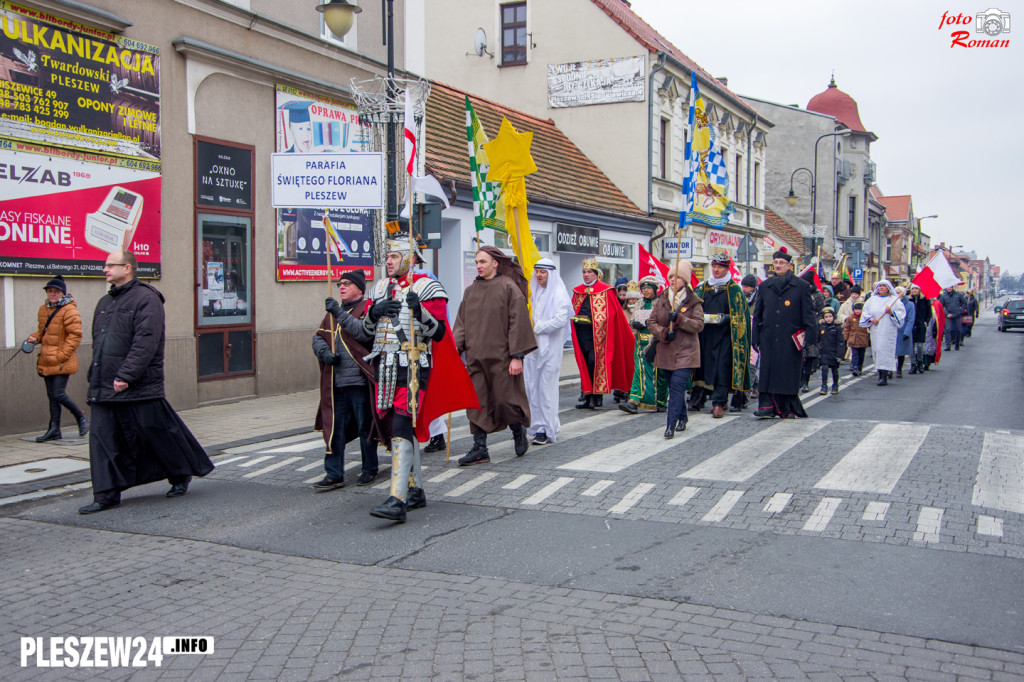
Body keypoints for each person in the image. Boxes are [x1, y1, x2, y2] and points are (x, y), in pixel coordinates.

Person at [79, 251, 214, 514]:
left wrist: (127, 375)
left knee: (156, 433)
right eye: (105, 265)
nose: (105, 269)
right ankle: (105, 494)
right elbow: (101, 343)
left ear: (127, 268)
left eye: (110, 265)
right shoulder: (105, 301)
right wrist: (95, 375)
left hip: (137, 384)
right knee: (102, 438)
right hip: (104, 385)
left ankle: (179, 472)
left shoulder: (147, 298)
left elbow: (146, 341)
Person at [363, 237, 477, 523]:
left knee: (403, 423)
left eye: (393, 257)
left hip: (414, 364)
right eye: (386, 257)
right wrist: (373, 313)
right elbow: (366, 331)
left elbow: (438, 333)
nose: (387, 261)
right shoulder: (378, 288)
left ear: (409, 258)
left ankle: (396, 499)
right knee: (399, 427)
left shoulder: (428, 288)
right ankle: (415, 490)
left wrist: (420, 311)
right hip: (385, 363)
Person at [454, 246, 538, 466]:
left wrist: (517, 355)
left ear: (495, 263)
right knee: (476, 403)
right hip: (476, 359)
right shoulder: (471, 291)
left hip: (502, 358)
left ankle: (518, 430)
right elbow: (462, 323)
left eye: (483, 261)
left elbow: (517, 321)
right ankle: (480, 448)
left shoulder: (508, 287)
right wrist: (455, 349)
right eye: (477, 262)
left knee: (507, 401)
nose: (479, 266)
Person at [312, 269, 379, 490]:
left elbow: (362, 333)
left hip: (359, 382)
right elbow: (319, 337)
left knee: (364, 428)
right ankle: (334, 474)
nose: (342, 287)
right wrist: (323, 352)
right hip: (336, 383)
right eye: (340, 283)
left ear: (359, 288)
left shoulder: (366, 308)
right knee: (334, 429)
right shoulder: (333, 312)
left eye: (347, 283)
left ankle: (369, 468)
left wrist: (338, 314)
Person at [751, 248, 817, 419]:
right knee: (767, 371)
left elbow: (809, 316)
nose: (778, 265)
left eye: (782, 263)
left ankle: (785, 406)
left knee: (786, 374)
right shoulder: (765, 286)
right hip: (769, 337)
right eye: (775, 263)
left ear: (789, 266)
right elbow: (758, 314)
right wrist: (755, 336)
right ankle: (766, 406)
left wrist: (809, 341)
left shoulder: (801, 286)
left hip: (790, 339)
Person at [688, 250, 752, 418]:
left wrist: (728, 318)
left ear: (726, 269)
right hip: (704, 335)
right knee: (701, 366)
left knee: (722, 368)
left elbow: (741, 317)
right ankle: (697, 397)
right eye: (714, 266)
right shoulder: (701, 288)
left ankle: (718, 402)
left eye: (720, 267)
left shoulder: (735, 291)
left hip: (726, 337)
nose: (716, 270)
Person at [27, 275, 89, 442]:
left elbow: (75, 336)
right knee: (52, 396)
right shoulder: (43, 309)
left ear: (62, 293)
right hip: (46, 360)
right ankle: (54, 430)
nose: (52, 294)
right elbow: (43, 332)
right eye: (50, 291)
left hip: (62, 360)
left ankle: (80, 417)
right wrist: (34, 338)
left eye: (56, 291)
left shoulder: (69, 310)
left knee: (58, 393)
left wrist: (61, 355)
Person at [647, 260, 704, 438]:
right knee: (674, 387)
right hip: (665, 351)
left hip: (686, 352)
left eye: (677, 277)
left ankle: (670, 425)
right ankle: (683, 418)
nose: (672, 280)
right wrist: (663, 332)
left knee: (677, 387)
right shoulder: (662, 299)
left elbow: (699, 325)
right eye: (671, 276)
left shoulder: (694, 301)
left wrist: (680, 319)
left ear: (685, 281)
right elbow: (651, 322)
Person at [570, 258, 634, 409]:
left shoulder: (606, 290)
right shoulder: (577, 291)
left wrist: (595, 320)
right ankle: (587, 396)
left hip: (600, 338)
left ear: (596, 274)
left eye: (589, 272)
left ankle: (597, 397)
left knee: (594, 363)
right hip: (582, 336)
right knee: (584, 365)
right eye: (584, 272)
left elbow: (612, 314)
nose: (586, 275)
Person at [524, 258, 573, 445]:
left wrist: (538, 327)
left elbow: (560, 320)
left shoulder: (559, 294)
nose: (539, 275)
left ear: (550, 274)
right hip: (533, 348)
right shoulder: (534, 293)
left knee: (546, 389)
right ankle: (536, 427)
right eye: (537, 271)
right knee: (532, 387)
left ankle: (548, 427)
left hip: (550, 349)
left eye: (543, 272)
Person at [620, 277, 667, 414]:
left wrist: (650, 325)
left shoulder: (661, 303)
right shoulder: (639, 303)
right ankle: (634, 400)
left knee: (658, 373)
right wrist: (634, 324)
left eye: (648, 288)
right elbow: (634, 318)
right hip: (640, 342)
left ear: (654, 289)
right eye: (643, 288)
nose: (646, 291)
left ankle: (660, 401)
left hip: (655, 342)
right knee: (639, 371)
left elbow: (664, 321)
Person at [860, 279, 906, 386]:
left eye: (884, 286)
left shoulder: (894, 300)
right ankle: (879, 372)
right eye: (880, 286)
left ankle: (884, 375)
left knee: (885, 351)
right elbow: (865, 312)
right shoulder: (872, 300)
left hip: (888, 330)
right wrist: (871, 319)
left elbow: (901, 315)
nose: (881, 288)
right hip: (876, 330)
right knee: (877, 350)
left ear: (888, 288)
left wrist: (891, 312)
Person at [798, 268, 825, 393]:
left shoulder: (817, 295)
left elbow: (820, 311)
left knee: (809, 355)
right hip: (799, 328)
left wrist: (818, 323)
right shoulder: (798, 293)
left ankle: (806, 382)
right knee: (798, 356)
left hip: (812, 327)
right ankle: (799, 379)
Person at [908, 284, 933, 374]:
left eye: (916, 289)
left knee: (919, 345)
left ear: (920, 290)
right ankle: (913, 364)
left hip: (920, 325)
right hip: (911, 325)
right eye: (913, 289)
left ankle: (920, 362)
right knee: (911, 346)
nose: (914, 290)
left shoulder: (925, 300)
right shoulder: (908, 300)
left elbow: (929, 312)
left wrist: (926, 321)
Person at [817, 307, 842, 394]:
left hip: (834, 352)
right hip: (824, 352)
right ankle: (824, 386)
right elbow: (818, 339)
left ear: (833, 317)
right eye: (826, 317)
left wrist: (839, 355)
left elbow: (840, 342)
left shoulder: (837, 327)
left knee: (835, 371)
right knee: (824, 369)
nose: (828, 319)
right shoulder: (822, 327)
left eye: (830, 316)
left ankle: (835, 385)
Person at [893, 286, 915, 378]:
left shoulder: (909, 305)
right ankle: (889, 370)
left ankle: (899, 369)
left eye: (899, 292)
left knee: (901, 352)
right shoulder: (892, 303)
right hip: (893, 330)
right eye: (896, 292)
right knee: (891, 351)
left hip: (902, 330)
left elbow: (910, 319)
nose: (897, 294)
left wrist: (907, 332)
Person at [843, 302, 869, 376]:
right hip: (853, 339)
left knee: (861, 355)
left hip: (862, 339)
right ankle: (855, 367)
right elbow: (847, 328)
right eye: (856, 309)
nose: (857, 311)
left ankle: (859, 367)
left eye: (859, 309)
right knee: (854, 354)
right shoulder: (850, 318)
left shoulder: (864, 318)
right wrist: (846, 337)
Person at [938, 286, 966, 351]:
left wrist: (960, 310)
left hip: (957, 315)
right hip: (948, 315)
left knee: (958, 330)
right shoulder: (944, 296)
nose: (949, 288)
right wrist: (946, 313)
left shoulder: (958, 295)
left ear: (952, 287)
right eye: (948, 287)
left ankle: (957, 344)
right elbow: (941, 306)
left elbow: (964, 303)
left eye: (950, 287)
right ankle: (948, 345)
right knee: (948, 330)